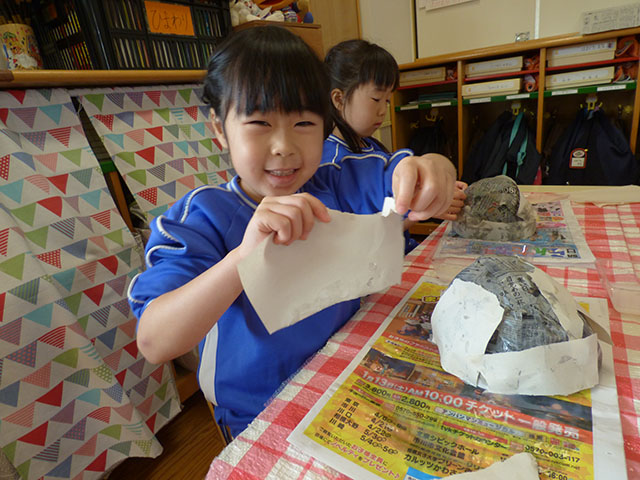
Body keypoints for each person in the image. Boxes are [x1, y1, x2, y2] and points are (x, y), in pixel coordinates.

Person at [128, 26, 456, 438]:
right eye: (259, 122)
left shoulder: (337, 181)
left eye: (303, 122)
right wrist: (243, 257)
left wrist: (432, 168)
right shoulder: (202, 216)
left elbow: (406, 171)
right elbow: (155, 341)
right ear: (219, 129)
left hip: (345, 381)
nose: (283, 145)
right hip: (256, 412)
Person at [322, 39, 467, 251]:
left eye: (388, 100)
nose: (383, 111)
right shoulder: (333, 164)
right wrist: (422, 209)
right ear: (339, 99)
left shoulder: (372, 147)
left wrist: (430, 187)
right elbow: (365, 239)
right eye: (376, 99)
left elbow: (389, 205)